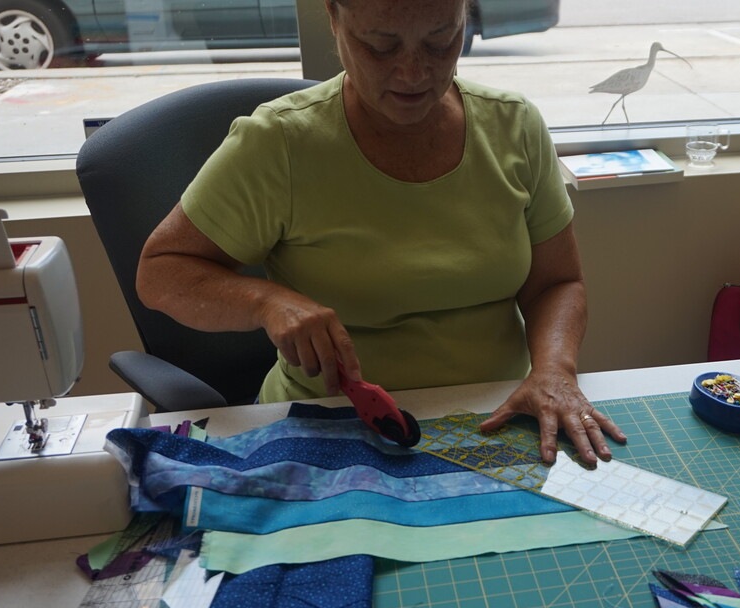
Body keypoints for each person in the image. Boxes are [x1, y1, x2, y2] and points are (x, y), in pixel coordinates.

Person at [135, 0, 626, 465]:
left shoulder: (513, 126)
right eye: (381, 46)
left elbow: (557, 283)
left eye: (440, 42)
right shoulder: (279, 143)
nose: (414, 73)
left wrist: (555, 372)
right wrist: (266, 302)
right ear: (333, 17)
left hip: (501, 412)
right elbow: (161, 273)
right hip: (332, 422)